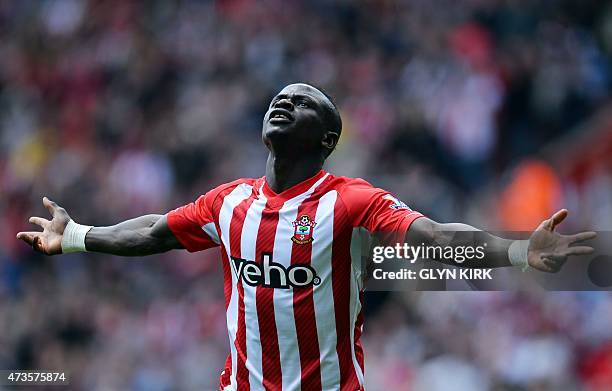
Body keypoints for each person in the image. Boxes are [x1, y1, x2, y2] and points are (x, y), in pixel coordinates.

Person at [17, 83, 596, 390]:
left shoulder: (350, 200)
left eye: (302, 103)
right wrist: (77, 237)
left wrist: (519, 250)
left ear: (327, 141)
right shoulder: (229, 202)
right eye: (279, 99)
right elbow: (154, 231)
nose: (284, 102)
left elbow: (437, 236)